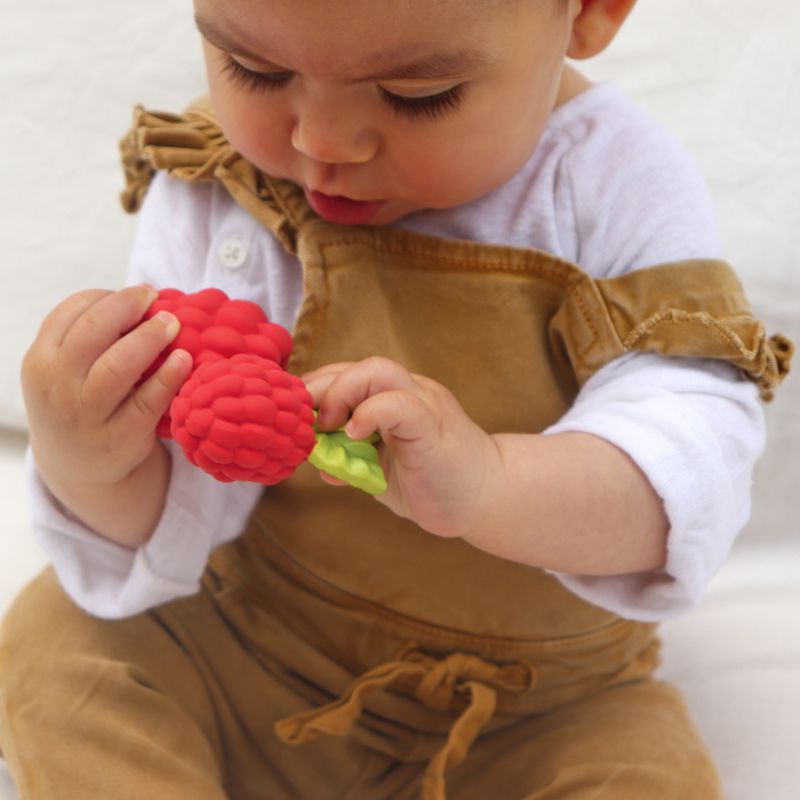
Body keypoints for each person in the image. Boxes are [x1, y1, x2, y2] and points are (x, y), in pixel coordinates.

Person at [0, 0, 792, 798]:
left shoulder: (615, 185)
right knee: (57, 649)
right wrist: (92, 464)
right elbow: (181, 509)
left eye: (419, 96)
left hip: (538, 705)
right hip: (258, 641)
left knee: (642, 777)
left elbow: (693, 464)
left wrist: (489, 484)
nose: (321, 144)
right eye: (257, 71)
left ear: (586, 14)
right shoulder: (226, 181)